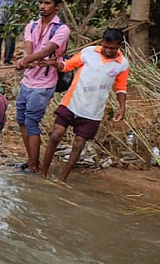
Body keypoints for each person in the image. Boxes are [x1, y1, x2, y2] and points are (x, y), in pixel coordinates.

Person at [39, 28, 129, 181]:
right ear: (102, 42)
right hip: (71, 102)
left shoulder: (122, 64)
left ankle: (62, 180)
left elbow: (120, 87)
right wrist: (54, 64)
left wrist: (122, 107)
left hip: (93, 111)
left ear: (119, 46)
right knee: (56, 135)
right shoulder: (89, 52)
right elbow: (67, 66)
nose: (106, 50)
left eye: (111, 48)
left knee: (79, 144)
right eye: (105, 46)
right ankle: (43, 173)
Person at [14, 0, 70, 174]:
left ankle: (33, 166)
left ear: (57, 6)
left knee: (31, 122)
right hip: (27, 81)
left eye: (47, 3)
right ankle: (32, 161)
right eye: (41, 3)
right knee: (21, 119)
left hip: (44, 83)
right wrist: (26, 60)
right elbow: (29, 49)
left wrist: (25, 61)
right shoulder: (31, 26)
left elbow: (48, 50)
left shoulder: (62, 30)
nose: (42, 7)